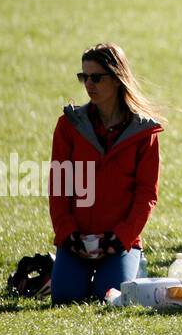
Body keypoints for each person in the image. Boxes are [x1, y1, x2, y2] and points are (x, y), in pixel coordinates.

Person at [49, 43, 163, 304]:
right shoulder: (69, 125)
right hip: (77, 240)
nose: (89, 84)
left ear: (117, 78)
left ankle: (135, 262)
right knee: (65, 297)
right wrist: (68, 235)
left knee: (108, 296)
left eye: (96, 77)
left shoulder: (143, 132)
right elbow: (59, 185)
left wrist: (120, 238)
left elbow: (147, 194)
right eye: (84, 77)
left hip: (120, 243)